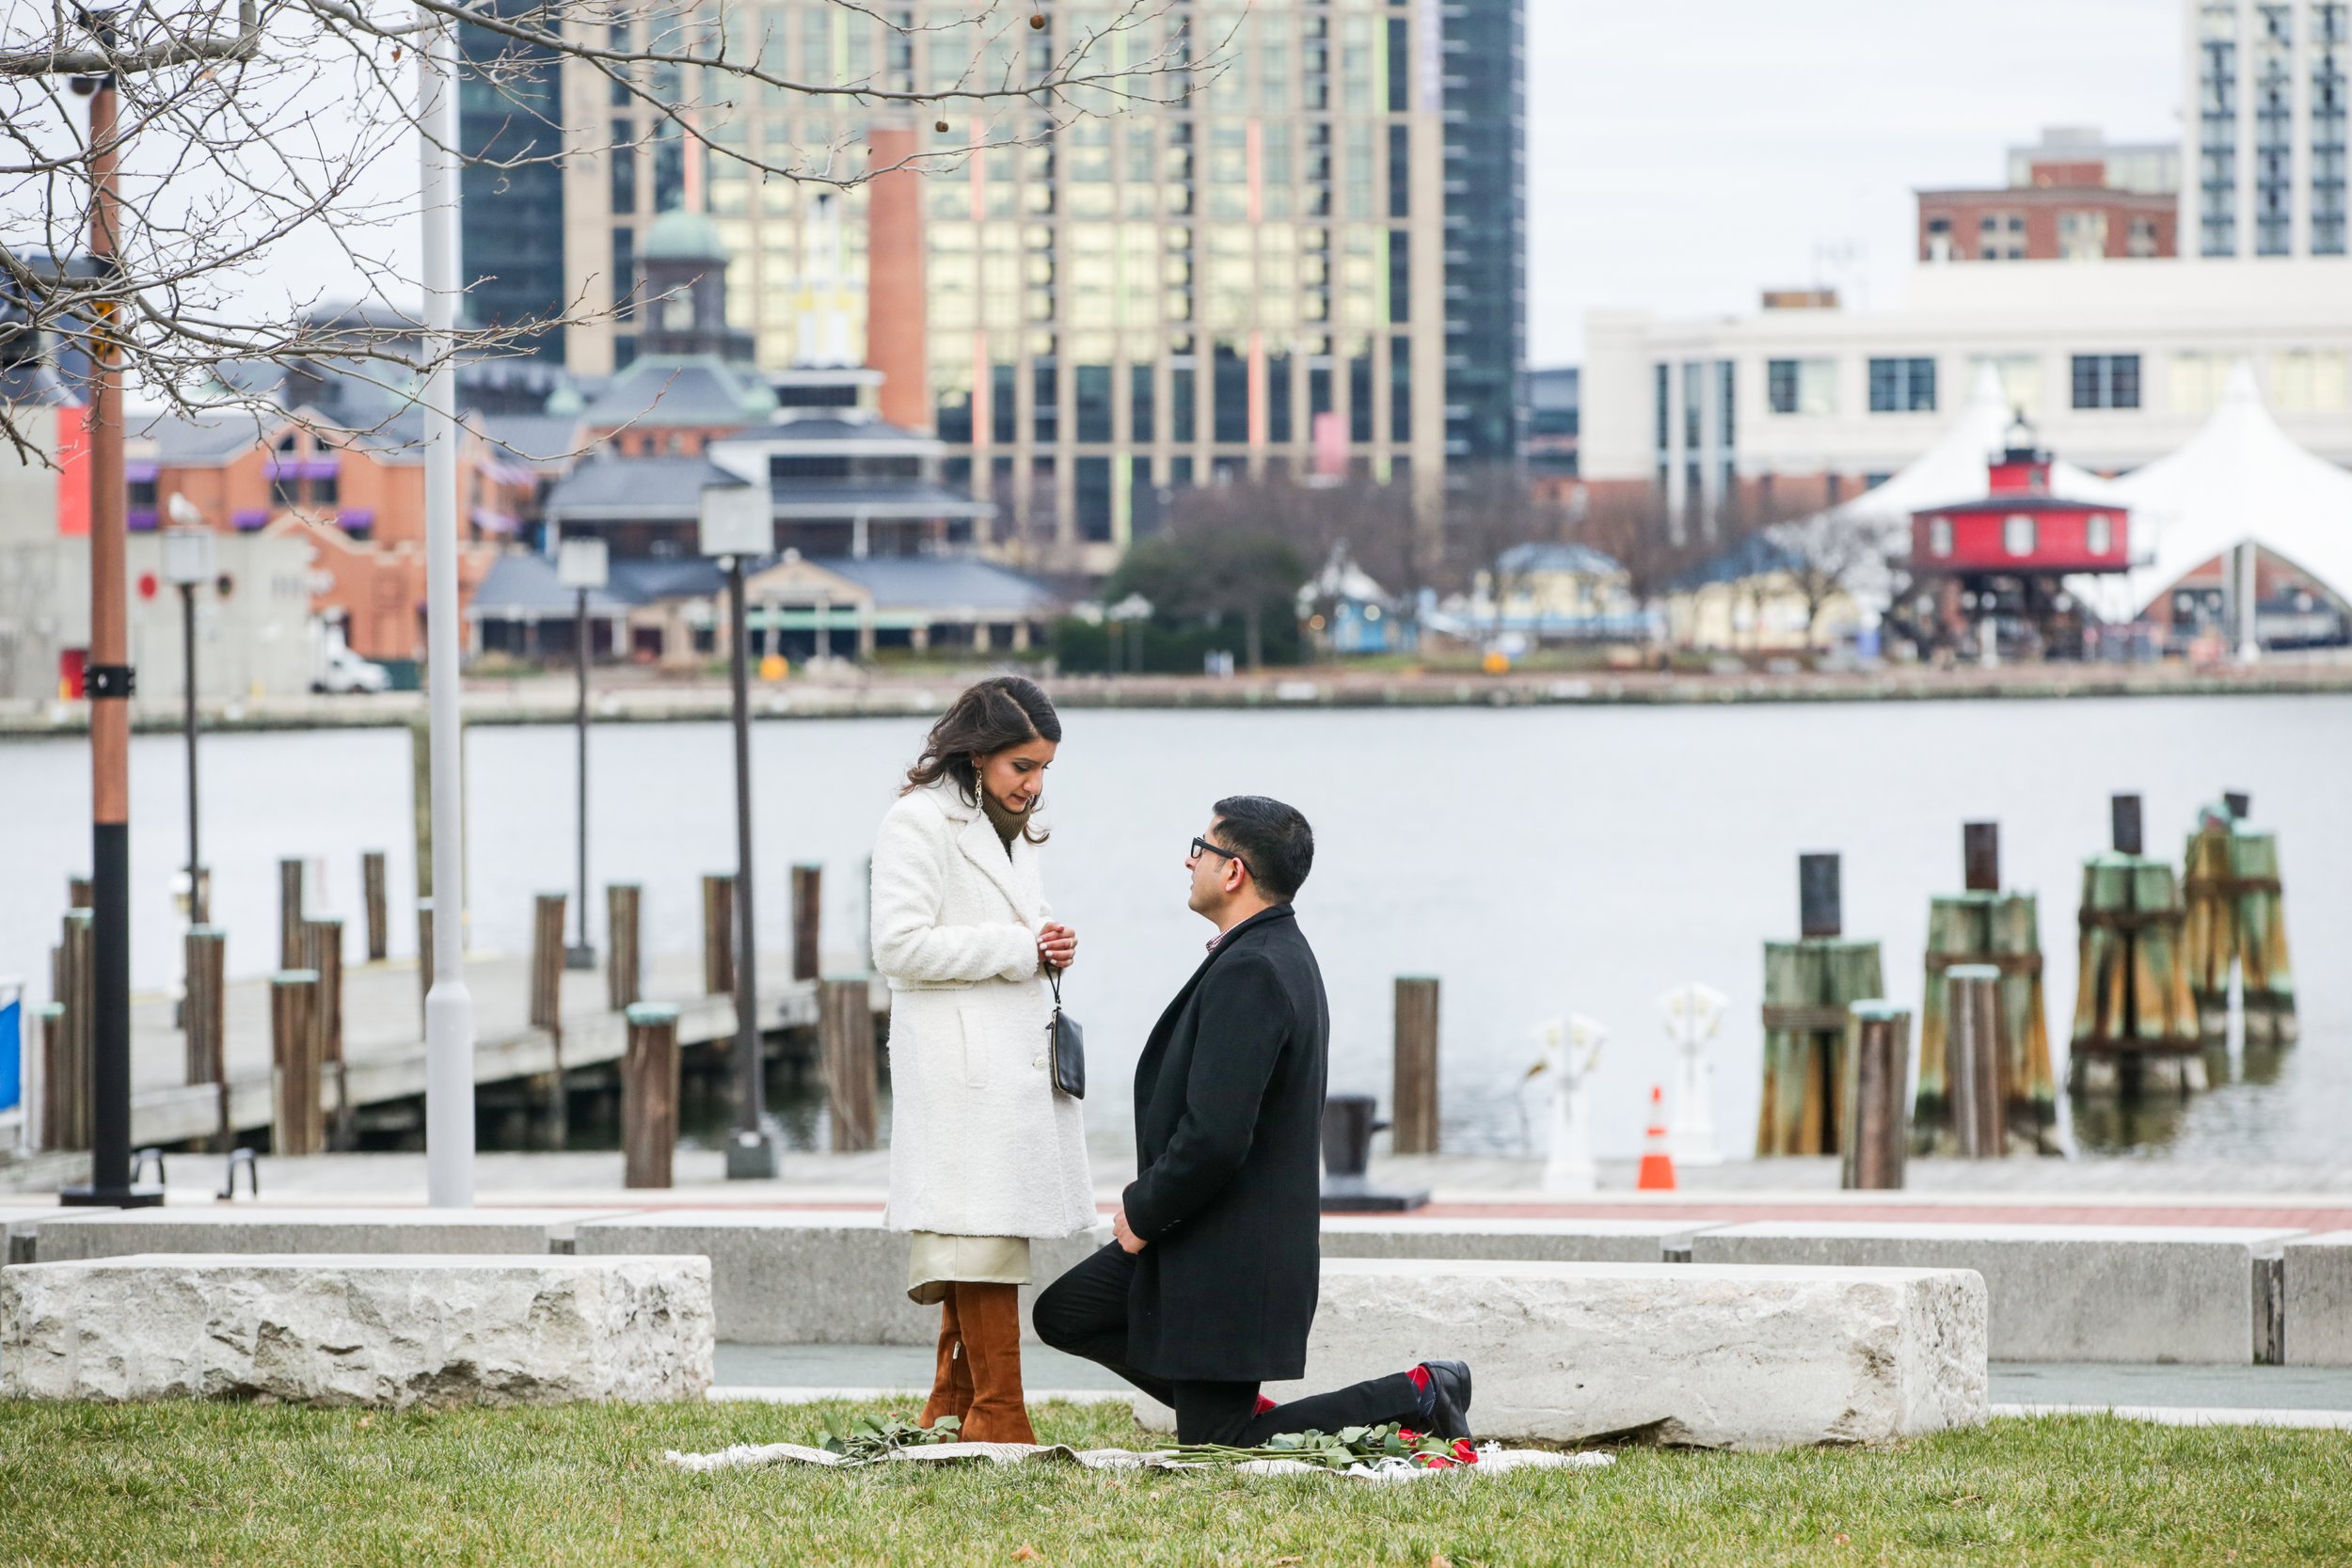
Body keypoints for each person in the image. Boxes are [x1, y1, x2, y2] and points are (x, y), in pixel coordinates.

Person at [1033, 795, 1473, 1448]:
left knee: (1224, 1444)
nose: (1190, 859)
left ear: (1232, 870)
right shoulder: (1269, 952)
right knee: (1067, 1311)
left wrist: (1141, 1215)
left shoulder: (1254, 969)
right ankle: (1258, 1411)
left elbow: (1215, 1135)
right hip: (1207, 1242)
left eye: (1201, 846)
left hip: (1227, 1257)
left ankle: (1417, 1390)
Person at [870, 675, 1093, 1444]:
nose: (1033, 786)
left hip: (1005, 1056)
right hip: (958, 1063)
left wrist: (1048, 943)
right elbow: (897, 946)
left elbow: (1013, 932)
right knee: (979, 1231)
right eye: (1021, 767)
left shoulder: (1009, 827)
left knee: (978, 1229)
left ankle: (953, 1402)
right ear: (976, 754)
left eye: (1042, 770)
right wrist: (1018, 948)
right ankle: (998, 1410)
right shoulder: (917, 822)